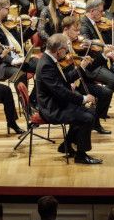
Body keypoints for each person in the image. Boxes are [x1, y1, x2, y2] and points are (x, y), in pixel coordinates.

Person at [35, 33, 102, 164]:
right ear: (59, 50)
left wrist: (81, 67)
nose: (67, 52)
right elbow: (60, 92)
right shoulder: (46, 65)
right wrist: (83, 98)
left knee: (91, 112)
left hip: (58, 102)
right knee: (86, 118)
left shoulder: (50, 60)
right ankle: (81, 156)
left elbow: (63, 80)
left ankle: (66, 145)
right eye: (66, 49)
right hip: (52, 108)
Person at [62, 16, 113, 134]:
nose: (79, 33)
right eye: (75, 30)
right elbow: (61, 70)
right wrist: (70, 82)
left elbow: (90, 67)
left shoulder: (76, 44)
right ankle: (79, 131)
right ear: (66, 29)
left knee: (106, 93)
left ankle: (95, 122)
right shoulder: (60, 45)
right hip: (70, 84)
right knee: (85, 106)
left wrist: (103, 54)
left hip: (82, 79)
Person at [0, 0, 39, 84]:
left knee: (41, 65)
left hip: (20, 57)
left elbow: (20, 39)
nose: (9, 12)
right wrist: (13, 60)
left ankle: (36, 95)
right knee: (19, 74)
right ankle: (22, 97)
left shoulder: (8, 22)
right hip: (3, 63)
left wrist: (32, 27)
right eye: (8, 9)